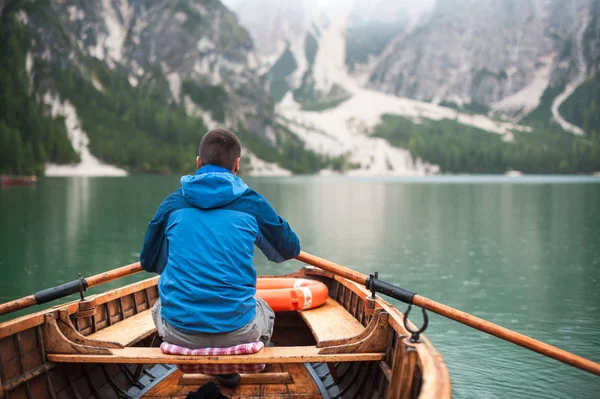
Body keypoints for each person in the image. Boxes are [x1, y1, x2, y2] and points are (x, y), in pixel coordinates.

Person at [140, 128, 300, 385]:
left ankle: (210, 367)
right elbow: (290, 248)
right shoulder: (251, 203)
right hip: (239, 333)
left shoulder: (172, 205)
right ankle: (233, 368)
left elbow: (149, 262)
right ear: (237, 165)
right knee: (264, 309)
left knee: (159, 306)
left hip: (179, 333)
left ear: (198, 162)